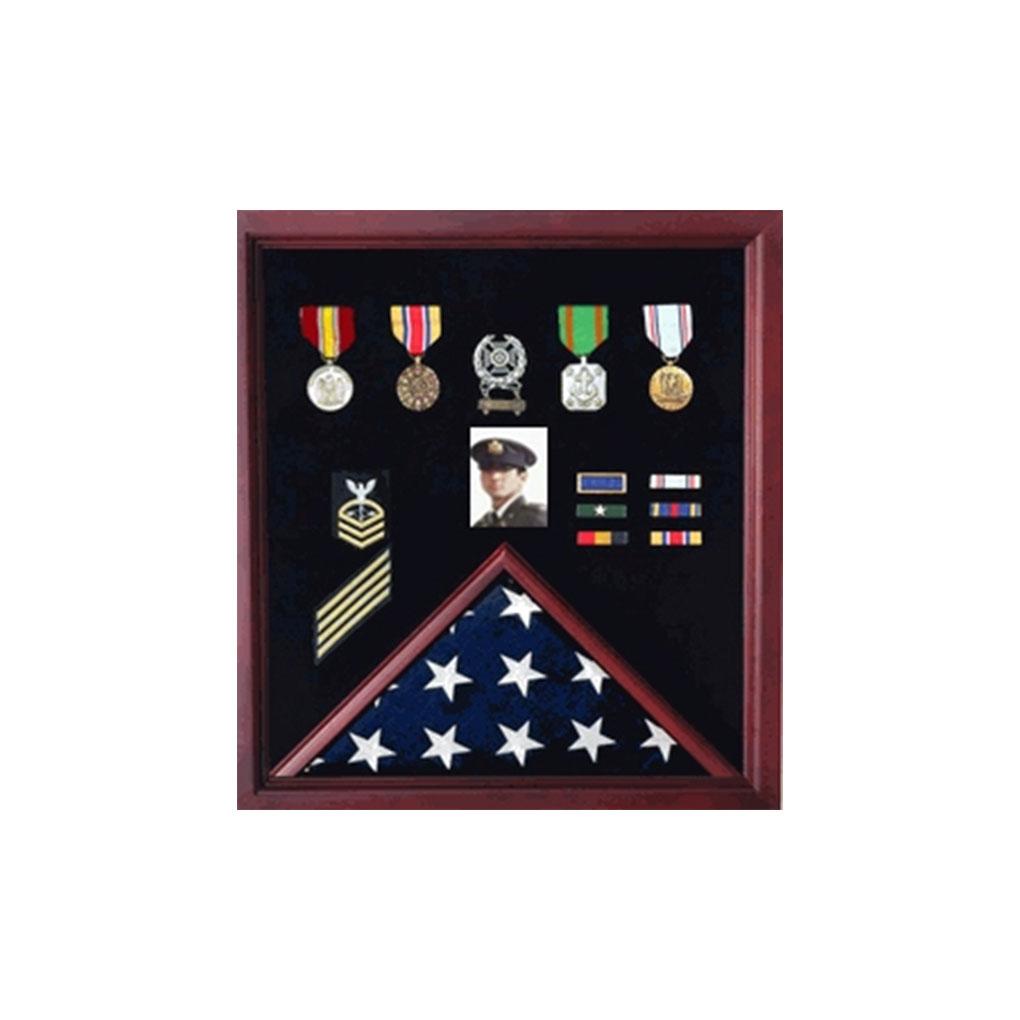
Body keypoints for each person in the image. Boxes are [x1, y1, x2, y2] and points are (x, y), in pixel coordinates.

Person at [471, 438, 548, 528]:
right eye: (487, 469)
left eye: (504, 469)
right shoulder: (481, 524)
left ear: (523, 477)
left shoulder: (537, 520)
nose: (495, 477)